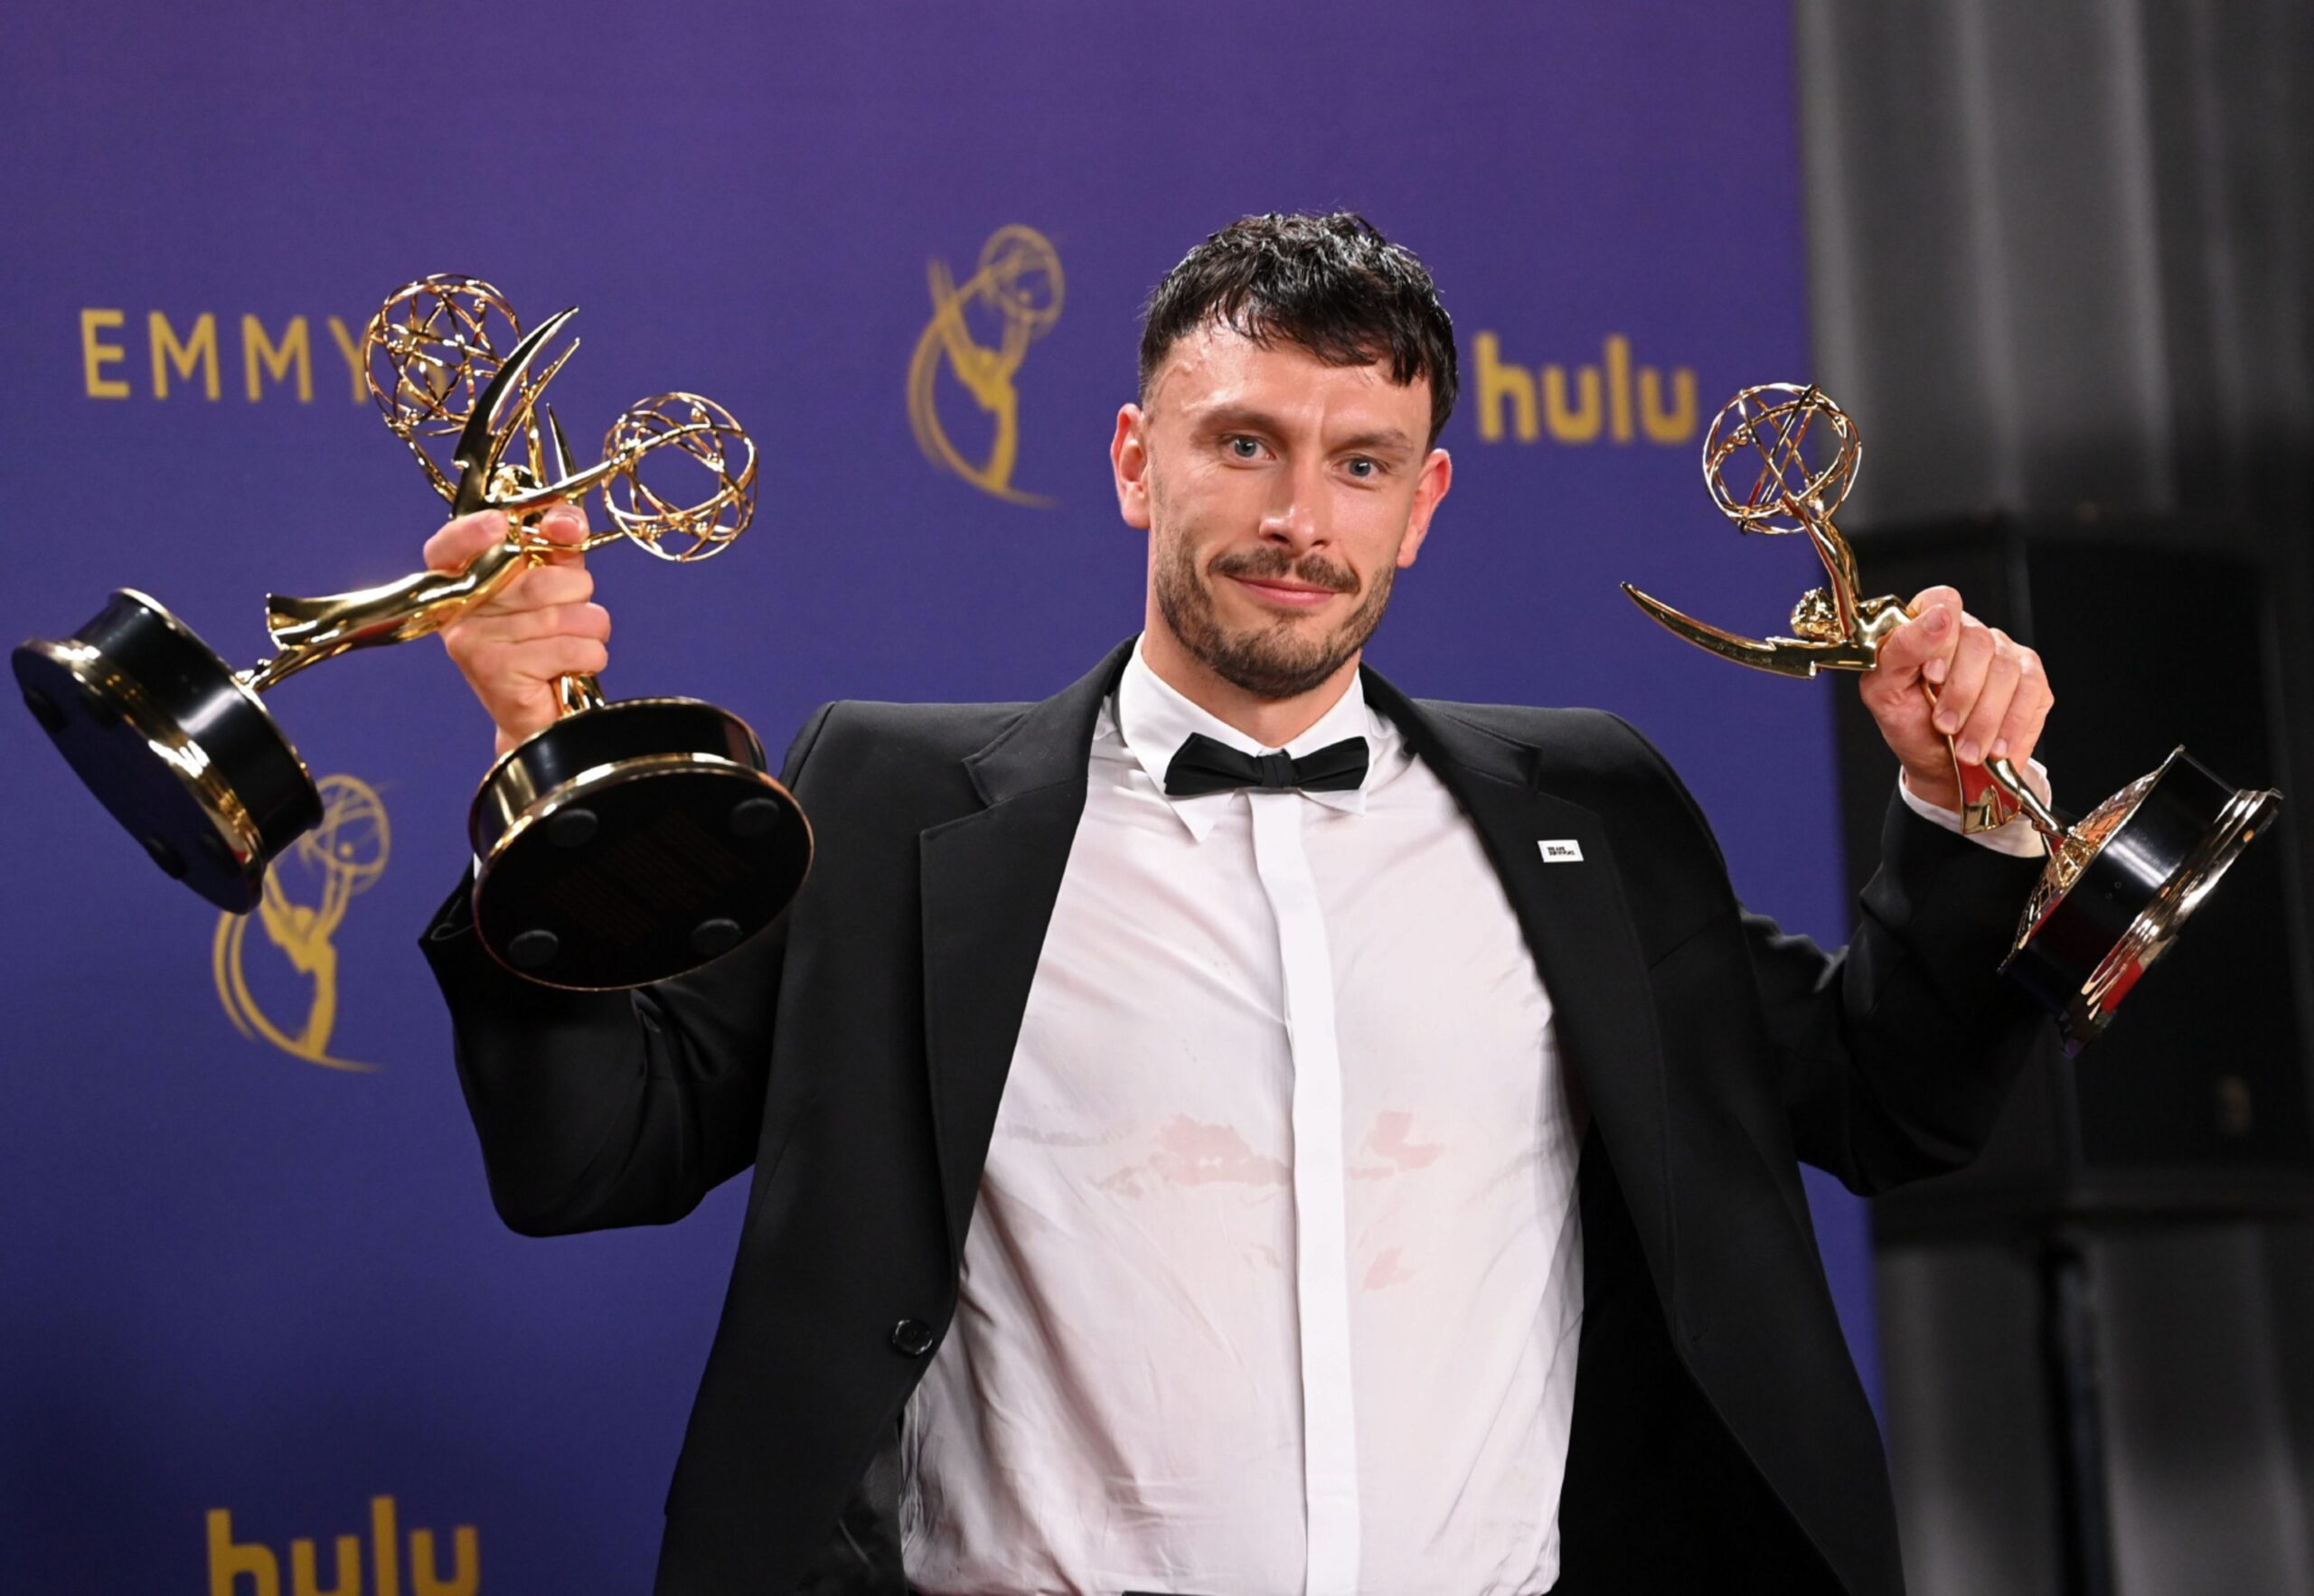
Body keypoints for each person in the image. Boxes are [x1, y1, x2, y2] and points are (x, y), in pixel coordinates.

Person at [417, 213, 2056, 1596]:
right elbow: (589, 1155)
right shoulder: (892, 802)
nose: (1299, 518)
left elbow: (1892, 1101)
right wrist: (537, 752)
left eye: (1362, 464)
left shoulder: (1594, 811)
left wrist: (1962, 808)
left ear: (1426, 505)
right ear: (1140, 462)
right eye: (1244, 443)